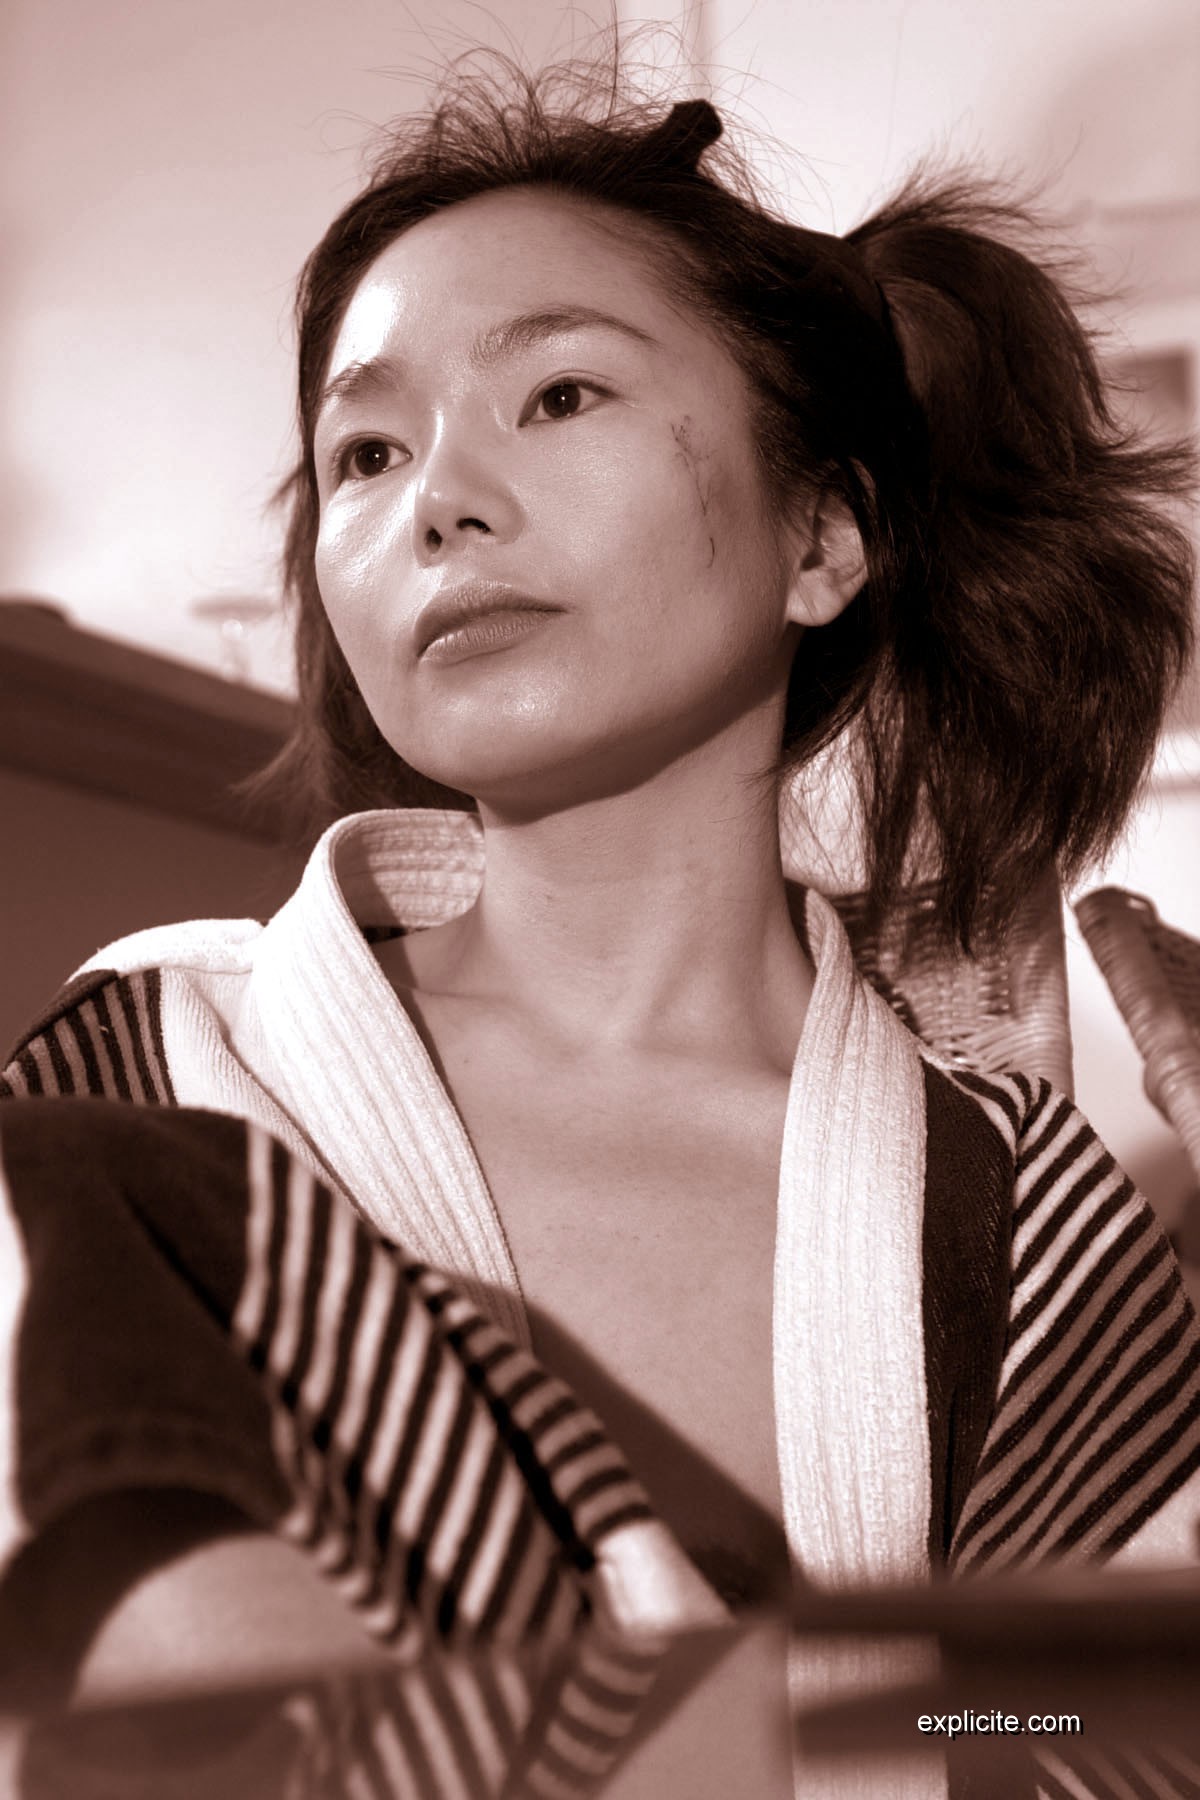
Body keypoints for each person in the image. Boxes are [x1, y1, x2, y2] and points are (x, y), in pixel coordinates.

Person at [2, 49, 1199, 1799]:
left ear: (823, 538)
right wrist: (856, 1726)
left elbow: (1072, 1727)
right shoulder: (136, 1096)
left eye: (557, 394)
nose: (437, 499)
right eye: (364, 451)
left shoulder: (1019, 1212)